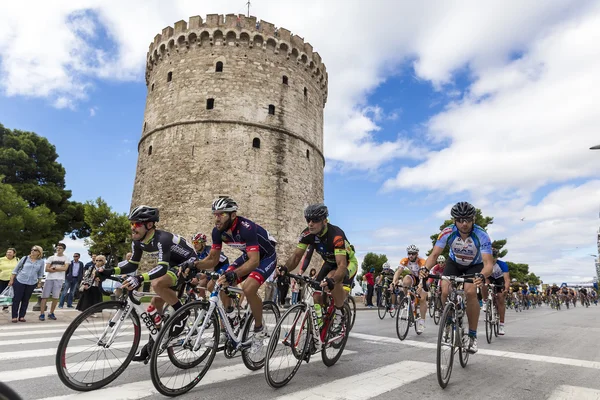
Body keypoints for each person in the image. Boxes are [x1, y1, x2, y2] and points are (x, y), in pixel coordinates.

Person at [98, 205, 198, 362]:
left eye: (137, 224)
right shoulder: (137, 241)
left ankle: (182, 313)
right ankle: (155, 342)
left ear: (149, 225)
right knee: (154, 305)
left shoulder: (161, 239)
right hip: (171, 264)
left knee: (158, 283)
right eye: (131, 223)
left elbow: (162, 267)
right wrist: (109, 270)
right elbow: (132, 264)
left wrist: (139, 278)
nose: (133, 228)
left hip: (188, 262)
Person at [195, 197, 278, 354]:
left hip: (266, 257)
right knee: (217, 283)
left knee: (249, 288)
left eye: (221, 214)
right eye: (215, 214)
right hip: (249, 256)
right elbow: (212, 258)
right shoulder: (217, 231)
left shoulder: (246, 227)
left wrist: (234, 274)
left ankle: (259, 330)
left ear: (233, 215)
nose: (217, 218)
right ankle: (232, 320)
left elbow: (254, 262)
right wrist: (195, 265)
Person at [420, 201, 493, 354]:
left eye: (467, 219)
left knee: (471, 291)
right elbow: (434, 255)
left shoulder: (482, 235)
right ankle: (447, 321)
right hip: (454, 263)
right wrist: (425, 269)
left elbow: (488, 264)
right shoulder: (447, 232)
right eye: (460, 220)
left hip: (474, 266)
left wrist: (481, 275)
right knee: (444, 290)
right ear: (454, 221)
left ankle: (472, 337)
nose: (464, 223)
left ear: (473, 219)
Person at [280, 203, 358, 330]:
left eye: (315, 220)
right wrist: (285, 268)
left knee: (333, 279)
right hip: (328, 262)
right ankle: (321, 326)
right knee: (316, 294)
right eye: (308, 220)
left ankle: (340, 312)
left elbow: (341, 265)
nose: (310, 223)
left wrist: (332, 280)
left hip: (347, 263)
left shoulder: (336, 235)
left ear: (324, 221)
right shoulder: (307, 234)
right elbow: (296, 257)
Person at [393, 245, 428, 333]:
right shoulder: (405, 260)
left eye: (413, 254)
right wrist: (394, 281)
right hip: (414, 277)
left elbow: (423, 276)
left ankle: (422, 322)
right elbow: (399, 271)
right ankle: (408, 301)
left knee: (422, 298)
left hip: (423, 277)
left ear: (417, 254)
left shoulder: (421, 261)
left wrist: (420, 286)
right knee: (405, 281)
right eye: (409, 253)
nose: (411, 255)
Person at [8, 246, 45, 322]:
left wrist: (39, 282)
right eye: (32, 249)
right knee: (16, 299)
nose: (32, 251)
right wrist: (11, 280)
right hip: (20, 280)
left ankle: (22, 316)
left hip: (32, 282)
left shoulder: (41, 261)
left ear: (39, 252)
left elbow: (40, 273)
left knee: (26, 300)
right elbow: (15, 270)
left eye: (35, 250)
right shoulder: (25, 258)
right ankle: (14, 316)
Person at [481, 248, 510, 335]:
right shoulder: (484, 263)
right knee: (484, 285)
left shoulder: (502, 264)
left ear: (497, 257)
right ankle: (485, 301)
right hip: (489, 278)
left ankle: (501, 325)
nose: (492, 259)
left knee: (501, 299)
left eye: (494, 257)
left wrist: (506, 289)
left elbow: (507, 279)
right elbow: (484, 277)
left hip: (499, 280)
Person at [39, 243, 70, 321]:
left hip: (59, 279)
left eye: (60, 248)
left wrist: (54, 268)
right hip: (49, 279)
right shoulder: (51, 257)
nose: (58, 249)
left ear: (63, 249)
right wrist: (60, 267)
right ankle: (42, 314)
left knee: (55, 297)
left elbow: (65, 268)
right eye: (57, 248)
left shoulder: (66, 258)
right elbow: (47, 269)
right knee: (44, 296)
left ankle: (51, 313)